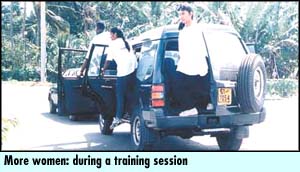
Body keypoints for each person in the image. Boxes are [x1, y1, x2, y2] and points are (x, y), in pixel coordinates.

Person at [172, 3, 210, 114]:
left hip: (197, 65)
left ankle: (196, 109)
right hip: (185, 65)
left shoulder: (197, 29)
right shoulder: (182, 31)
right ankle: (191, 109)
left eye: (183, 14)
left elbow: (202, 48)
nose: (181, 16)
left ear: (191, 14)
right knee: (179, 87)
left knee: (197, 89)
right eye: (179, 14)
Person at [101, 27, 137, 129]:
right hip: (133, 70)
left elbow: (108, 60)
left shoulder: (113, 44)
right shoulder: (127, 42)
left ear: (115, 34)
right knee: (130, 94)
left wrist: (103, 70)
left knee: (120, 95)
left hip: (123, 71)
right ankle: (130, 113)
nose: (110, 36)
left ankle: (118, 117)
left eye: (111, 34)